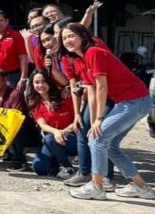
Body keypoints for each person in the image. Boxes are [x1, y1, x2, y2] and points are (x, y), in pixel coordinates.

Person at [61, 23, 154, 200]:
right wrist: (94, 121)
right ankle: (142, 187)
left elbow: (102, 86)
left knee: (97, 138)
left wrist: (99, 119)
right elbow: (92, 92)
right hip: (129, 102)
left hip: (136, 100)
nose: (67, 40)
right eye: (64, 38)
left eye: (71, 36)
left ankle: (97, 186)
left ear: (83, 36)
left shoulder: (93, 52)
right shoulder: (79, 60)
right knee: (109, 144)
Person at [27, 70, 77, 179]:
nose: (40, 85)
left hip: (73, 137)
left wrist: (65, 131)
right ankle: (58, 161)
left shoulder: (64, 96)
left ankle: (68, 168)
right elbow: (43, 125)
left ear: (49, 82)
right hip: (54, 139)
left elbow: (78, 120)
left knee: (49, 139)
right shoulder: (35, 103)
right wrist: (56, 132)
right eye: (37, 82)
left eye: (43, 81)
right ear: (32, 84)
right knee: (40, 168)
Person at [0, 69, 35, 172]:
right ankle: (9, 154)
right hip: (4, 128)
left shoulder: (15, 94)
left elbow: (16, 117)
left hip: (23, 131)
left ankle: (20, 162)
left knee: (13, 129)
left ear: (4, 80)